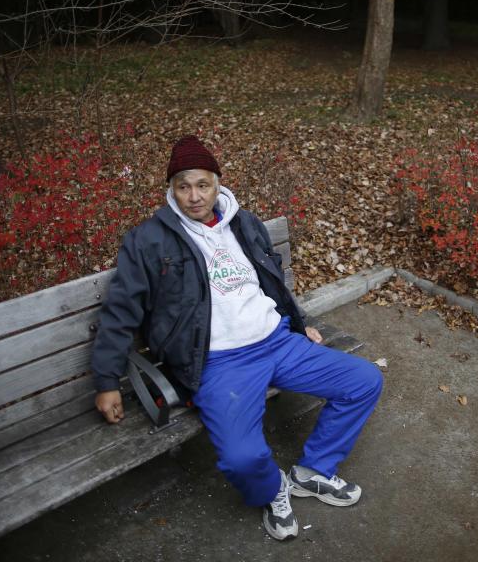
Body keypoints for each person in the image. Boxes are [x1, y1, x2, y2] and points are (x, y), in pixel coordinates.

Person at [90, 135, 383, 541]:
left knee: (365, 380)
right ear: (171, 190)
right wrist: (106, 382)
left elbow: (271, 283)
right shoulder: (149, 241)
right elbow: (121, 311)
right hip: (218, 362)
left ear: (217, 184)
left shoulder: (244, 224)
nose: (194, 196)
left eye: (203, 184)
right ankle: (273, 490)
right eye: (183, 186)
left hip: (277, 342)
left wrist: (299, 322)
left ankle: (314, 470)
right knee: (242, 459)